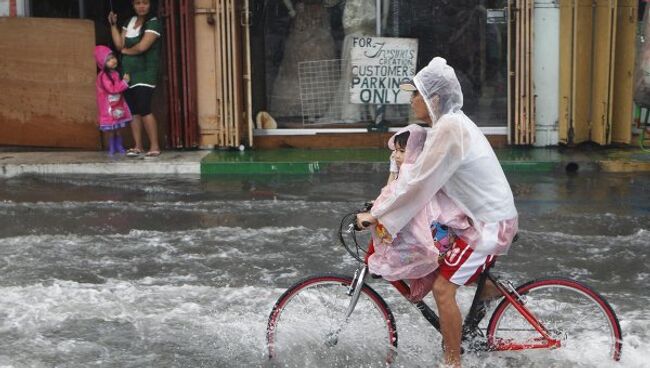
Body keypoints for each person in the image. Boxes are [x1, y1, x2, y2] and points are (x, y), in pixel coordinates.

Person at [357, 56, 518, 368]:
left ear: (433, 98)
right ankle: (490, 292)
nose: (411, 100)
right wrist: (380, 207)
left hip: (488, 225)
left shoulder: (448, 129)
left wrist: (377, 215)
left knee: (442, 289)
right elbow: (416, 179)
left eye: (415, 94)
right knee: (439, 264)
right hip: (482, 218)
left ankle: (452, 362)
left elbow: (418, 184)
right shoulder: (447, 125)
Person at [109, 0, 162, 158]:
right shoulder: (129, 22)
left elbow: (142, 47)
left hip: (145, 73)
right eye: (138, 3)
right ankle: (138, 146)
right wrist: (113, 25)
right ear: (133, 5)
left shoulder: (154, 23)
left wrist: (125, 52)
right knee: (133, 111)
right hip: (128, 74)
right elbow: (119, 45)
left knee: (144, 108)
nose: (141, 6)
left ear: (150, 5)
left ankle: (155, 146)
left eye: (145, 3)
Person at [94, 45, 132, 156]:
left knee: (118, 128)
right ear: (102, 63)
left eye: (113, 57)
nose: (113, 61)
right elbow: (112, 89)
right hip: (109, 107)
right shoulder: (103, 76)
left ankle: (119, 146)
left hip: (117, 105)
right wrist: (124, 83)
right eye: (108, 60)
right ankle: (112, 147)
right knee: (111, 129)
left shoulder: (115, 73)